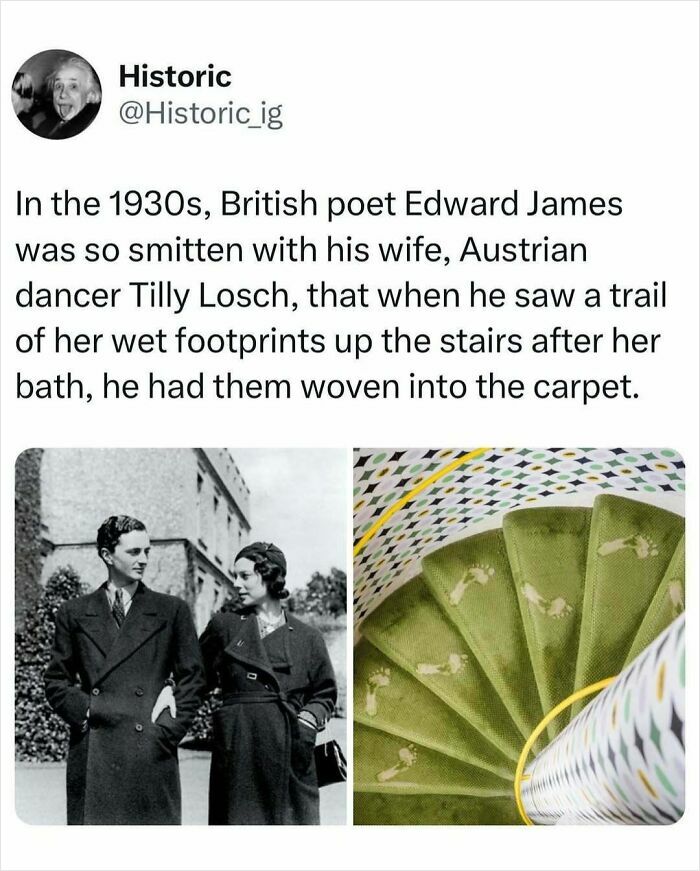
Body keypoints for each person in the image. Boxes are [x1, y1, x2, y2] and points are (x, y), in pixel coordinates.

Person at [44, 515, 206, 824]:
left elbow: (193, 678)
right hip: (94, 752)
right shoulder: (74, 612)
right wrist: (88, 710)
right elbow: (56, 680)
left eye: (147, 551)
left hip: (150, 751)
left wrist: (167, 730)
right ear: (107, 555)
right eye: (134, 552)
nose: (144, 559)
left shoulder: (172, 610)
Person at [200, 542, 337, 825]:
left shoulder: (308, 637)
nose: (235, 584)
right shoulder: (224, 627)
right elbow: (193, 678)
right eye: (234, 575)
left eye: (244, 576)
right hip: (239, 749)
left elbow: (324, 693)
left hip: (291, 752)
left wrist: (308, 720)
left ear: (269, 575)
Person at [33, 56, 101, 139]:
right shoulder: (46, 124)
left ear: (90, 95)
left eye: (73, 86)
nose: (62, 94)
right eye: (58, 86)